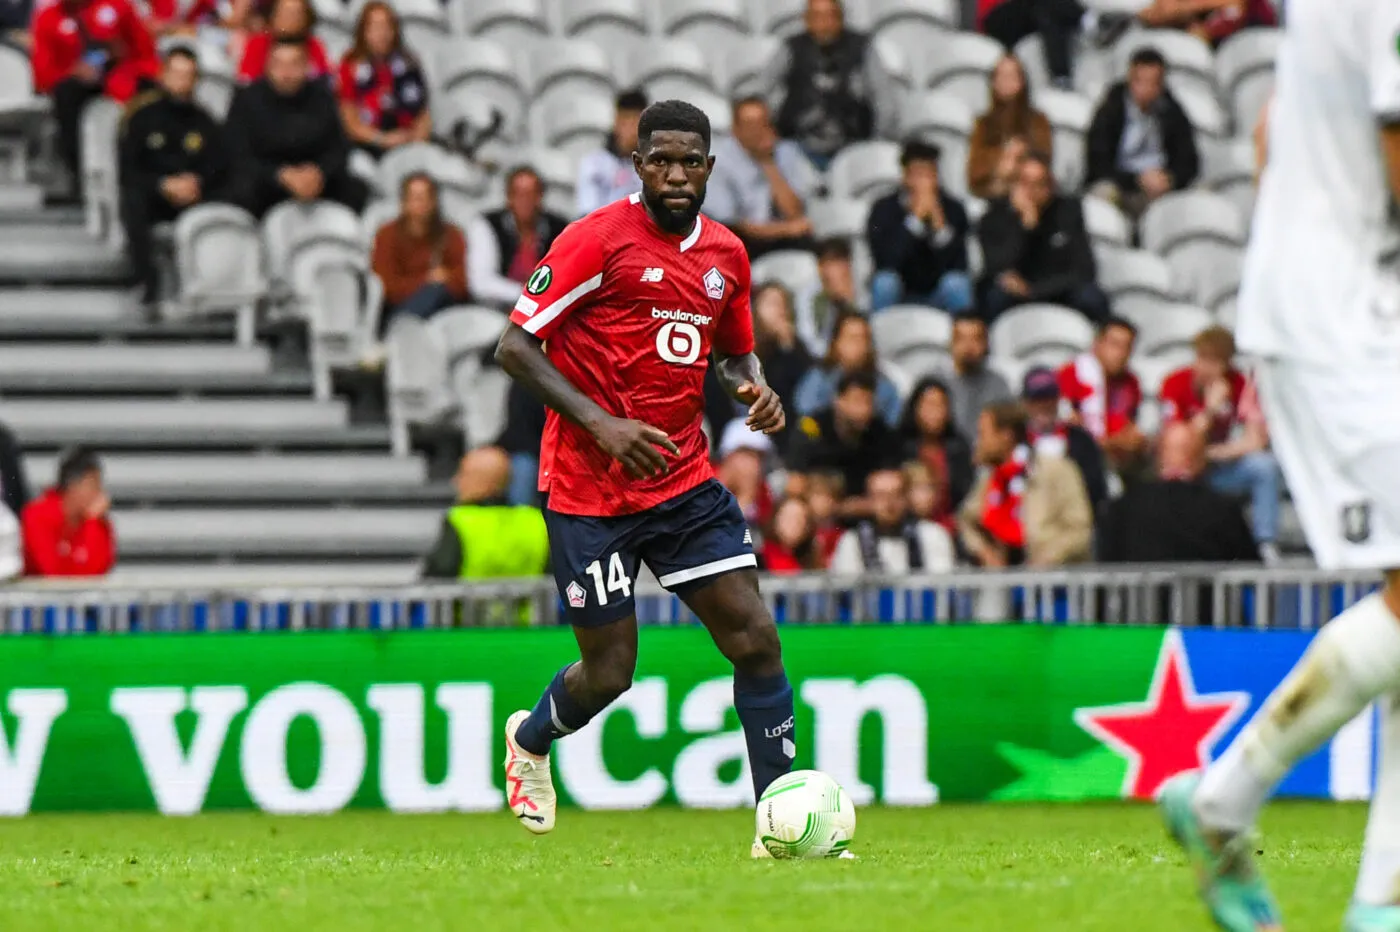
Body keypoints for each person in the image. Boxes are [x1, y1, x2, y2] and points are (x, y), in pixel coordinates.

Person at [493, 100, 800, 858]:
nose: (674, 174)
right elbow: (514, 346)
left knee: (757, 640)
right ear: (637, 165)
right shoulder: (596, 239)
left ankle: (782, 826)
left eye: (688, 161)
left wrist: (752, 386)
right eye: (659, 160)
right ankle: (531, 739)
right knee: (610, 673)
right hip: (589, 491)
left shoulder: (727, 254)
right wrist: (603, 424)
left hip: (682, 482)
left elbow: (733, 352)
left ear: (708, 168)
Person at [1155, 0, 1400, 925]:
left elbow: (1270, 131)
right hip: (1347, 322)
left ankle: (1380, 903)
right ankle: (1225, 796)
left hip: (1344, 304)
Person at [1159, 326, 1280, 559]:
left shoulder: (1241, 384)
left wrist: (1215, 453)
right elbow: (1179, 443)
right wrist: (1210, 410)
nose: (1206, 368)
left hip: (1216, 466)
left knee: (1264, 467)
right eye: (1202, 359)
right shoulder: (1175, 384)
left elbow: (1256, 440)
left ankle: (1265, 543)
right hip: (1180, 473)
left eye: (1215, 362)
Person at [119, 46, 225, 310]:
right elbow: (129, 168)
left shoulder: (205, 121)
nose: (181, 82)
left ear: (196, 80)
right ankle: (148, 283)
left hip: (195, 194)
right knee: (133, 200)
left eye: (188, 75)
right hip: (154, 193)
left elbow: (218, 165)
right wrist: (162, 185)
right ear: (163, 75)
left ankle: (213, 286)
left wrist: (197, 182)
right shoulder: (141, 116)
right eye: (176, 74)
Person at [223, 38, 369, 218]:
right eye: (279, 65)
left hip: (315, 178)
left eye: (294, 64)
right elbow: (238, 153)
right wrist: (280, 175)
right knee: (240, 191)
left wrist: (319, 172)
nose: (286, 72)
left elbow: (339, 146)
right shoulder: (247, 99)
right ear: (268, 66)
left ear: (306, 67)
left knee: (355, 189)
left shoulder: (322, 97)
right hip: (267, 180)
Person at [31, 0, 159, 187]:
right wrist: (73, 71)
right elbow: (42, 73)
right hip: (77, 88)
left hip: (122, 77)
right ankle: (80, 177)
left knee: (148, 91)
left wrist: (122, 59)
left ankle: (148, 171)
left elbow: (146, 56)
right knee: (67, 93)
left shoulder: (119, 7)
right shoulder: (48, 17)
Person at [762, 0, 898, 169]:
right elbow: (761, 91)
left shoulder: (862, 48)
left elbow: (884, 99)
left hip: (852, 147)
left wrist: (874, 146)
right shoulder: (791, 48)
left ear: (841, 18)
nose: (824, 24)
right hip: (799, 147)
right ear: (807, 20)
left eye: (830, 16)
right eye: (817, 16)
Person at [1098, 421, 1258, 564]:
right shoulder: (1223, 509)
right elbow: (1251, 567)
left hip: (1139, 597)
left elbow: (1105, 568)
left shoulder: (1121, 509)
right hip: (1207, 597)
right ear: (1200, 459)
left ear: (1159, 456)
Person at [979, 151, 1111, 323]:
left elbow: (1084, 269)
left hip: (1055, 288)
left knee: (1091, 297)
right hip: (1014, 293)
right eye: (1025, 184)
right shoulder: (994, 215)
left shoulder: (1067, 211)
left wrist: (1035, 290)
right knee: (995, 296)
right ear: (1014, 185)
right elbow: (998, 267)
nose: (1031, 192)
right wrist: (1025, 228)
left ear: (1050, 186)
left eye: (1039, 184)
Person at [958, 400, 1092, 568]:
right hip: (1004, 586)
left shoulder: (1056, 471)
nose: (978, 443)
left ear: (1006, 435)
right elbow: (967, 520)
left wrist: (1044, 561)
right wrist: (985, 551)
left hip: (1054, 584)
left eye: (983, 434)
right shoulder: (991, 479)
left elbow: (1078, 529)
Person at [1085, 46, 1200, 220]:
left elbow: (1189, 160)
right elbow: (1098, 163)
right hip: (1121, 185)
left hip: (1160, 187)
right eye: (1141, 82)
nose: (1146, 89)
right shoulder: (1111, 109)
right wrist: (1137, 180)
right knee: (1103, 194)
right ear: (1130, 80)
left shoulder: (1172, 111)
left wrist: (1170, 179)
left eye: (1153, 83)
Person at [867, 140, 974, 314]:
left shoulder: (954, 209)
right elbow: (886, 261)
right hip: (900, 289)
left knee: (957, 284)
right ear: (905, 176)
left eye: (929, 174)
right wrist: (914, 221)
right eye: (918, 174)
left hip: (938, 290)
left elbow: (959, 264)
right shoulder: (883, 209)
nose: (924, 182)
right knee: (884, 283)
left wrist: (940, 227)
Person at [705, 96, 818, 259]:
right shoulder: (717, 162)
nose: (758, 131)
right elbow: (733, 226)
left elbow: (795, 213)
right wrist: (787, 230)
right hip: (738, 244)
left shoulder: (787, 152)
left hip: (784, 239)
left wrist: (768, 162)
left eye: (763, 123)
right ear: (736, 129)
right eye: (751, 125)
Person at [420, 446, 549, 581]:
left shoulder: (461, 520)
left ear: (483, 482)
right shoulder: (536, 521)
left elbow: (438, 574)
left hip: (468, 602)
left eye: (463, 474)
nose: (456, 481)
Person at [784, 370, 899, 518]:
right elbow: (795, 484)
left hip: (867, 515)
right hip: (817, 514)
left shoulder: (881, 433)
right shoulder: (812, 428)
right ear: (838, 400)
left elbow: (893, 483)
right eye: (857, 401)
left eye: (868, 402)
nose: (864, 410)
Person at [336, 0, 431, 160]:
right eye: (375, 27)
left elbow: (423, 115)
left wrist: (415, 143)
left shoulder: (409, 64)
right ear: (363, 31)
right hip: (367, 145)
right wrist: (382, 139)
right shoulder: (350, 65)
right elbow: (349, 122)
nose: (382, 34)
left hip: (407, 141)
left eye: (388, 27)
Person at [371, 172, 467, 324]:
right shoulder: (387, 234)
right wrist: (426, 279)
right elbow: (386, 286)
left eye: (425, 197)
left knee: (438, 292)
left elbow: (464, 281)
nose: (420, 204)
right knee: (434, 289)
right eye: (414, 197)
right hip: (399, 306)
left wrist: (445, 278)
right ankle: (401, 327)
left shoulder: (451, 234)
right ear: (403, 202)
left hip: (445, 308)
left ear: (434, 201)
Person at [468, 167, 570, 309]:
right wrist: (525, 293)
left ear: (541, 197)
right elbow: (481, 283)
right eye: (519, 194)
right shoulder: (487, 225)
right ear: (508, 197)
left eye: (532, 193)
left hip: (547, 311)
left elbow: (568, 276)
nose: (525, 200)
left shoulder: (559, 228)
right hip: (498, 310)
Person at [1057, 316, 1146, 476]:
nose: (1121, 354)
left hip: (1119, 461)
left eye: (1127, 347)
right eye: (1115, 345)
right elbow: (1071, 430)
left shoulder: (1130, 383)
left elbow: (1130, 427)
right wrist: (1115, 443)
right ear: (1098, 344)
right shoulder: (1071, 375)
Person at [829, 468, 955, 575]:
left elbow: (941, 583)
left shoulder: (931, 534)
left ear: (906, 498)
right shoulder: (851, 541)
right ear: (869, 500)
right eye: (881, 496)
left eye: (896, 494)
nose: (889, 503)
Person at [1019, 365, 1108, 510]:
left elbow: (1095, 488)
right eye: (1037, 398)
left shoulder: (1080, 441)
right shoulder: (1016, 440)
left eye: (1049, 397)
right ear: (1025, 402)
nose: (1044, 405)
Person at [792, 312, 902, 428]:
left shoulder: (884, 387)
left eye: (863, 339)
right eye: (852, 338)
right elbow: (805, 417)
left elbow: (892, 426)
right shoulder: (818, 379)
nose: (858, 345)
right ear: (836, 343)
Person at [967, 54, 1054, 200]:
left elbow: (1044, 161)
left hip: (1033, 197)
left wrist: (1018, 161)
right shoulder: (983, 124)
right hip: (993, 197)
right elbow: (974, 173)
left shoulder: (1038, 121)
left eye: (1012, 75)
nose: (1006, 81)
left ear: (1022, 81)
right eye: (1001, 76)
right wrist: (1002, 159)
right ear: (993, 82)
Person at [20, 447, 116, 577]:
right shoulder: (37, 517)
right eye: (94, 485)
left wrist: (93, 523)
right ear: (73, 485)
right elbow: (52, 572)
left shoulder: (97, 522)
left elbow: (98, 571)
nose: (99, 493)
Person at [898, 377, 974, 531]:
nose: (935, 412)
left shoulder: (959, 447)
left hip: (951, 527)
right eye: (929, 405)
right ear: (915, 408)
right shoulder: (899, 445)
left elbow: (965, 493)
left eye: (941, 405)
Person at [752, 282, 813, 453]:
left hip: (790, 424)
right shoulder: (747, 345)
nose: (779, 311)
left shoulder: (795, 346)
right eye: (772, 304)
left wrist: (788, 346)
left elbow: (807, 386)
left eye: (783, 305)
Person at [978, 0, 1088, 89]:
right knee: (1046, 6)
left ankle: (1061, 78)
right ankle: (1087, 20)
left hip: (1030, 13)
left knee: (1049, 14)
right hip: (996, 15)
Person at [576, 89, 647, 216]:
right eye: (625, 121)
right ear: (616, 120)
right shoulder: (594, 165)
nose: (630, 129)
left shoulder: (654, 166)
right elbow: (588, 215)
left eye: (635, 121)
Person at [945, 315, 1013, 440]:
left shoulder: (999, 384)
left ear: (986, 344)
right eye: (961, 339)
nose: (969, 347)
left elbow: (1008, 432)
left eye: (976, 339)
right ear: (951, 343)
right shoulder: (937, 384)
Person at [235, 0, 330, 83]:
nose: (289, 19)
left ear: (306, 18)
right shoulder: (258, 43)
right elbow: (246, 80)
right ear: (273, 15)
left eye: (295, 14)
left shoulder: (315, 46)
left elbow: (324, 81)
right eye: (284, 13)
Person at [795, 237, 860, 354]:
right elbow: (808, 339)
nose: (840, 269)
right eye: (832, 262)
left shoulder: (856, 288)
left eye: (843, 261)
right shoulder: (809, 295)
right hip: (820, 360)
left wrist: (848, 302)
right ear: (820, 267)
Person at [499, 379, 546, 507]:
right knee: (524, 468)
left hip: (556, 451)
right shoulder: (525, 381)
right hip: (528, 450)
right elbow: (521, 429)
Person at [760, 496, 822, 573]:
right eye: (787, 517)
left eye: (799, 519)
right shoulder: (758, 560)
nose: (793, 524)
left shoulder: (813, 560)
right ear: (775, 520)